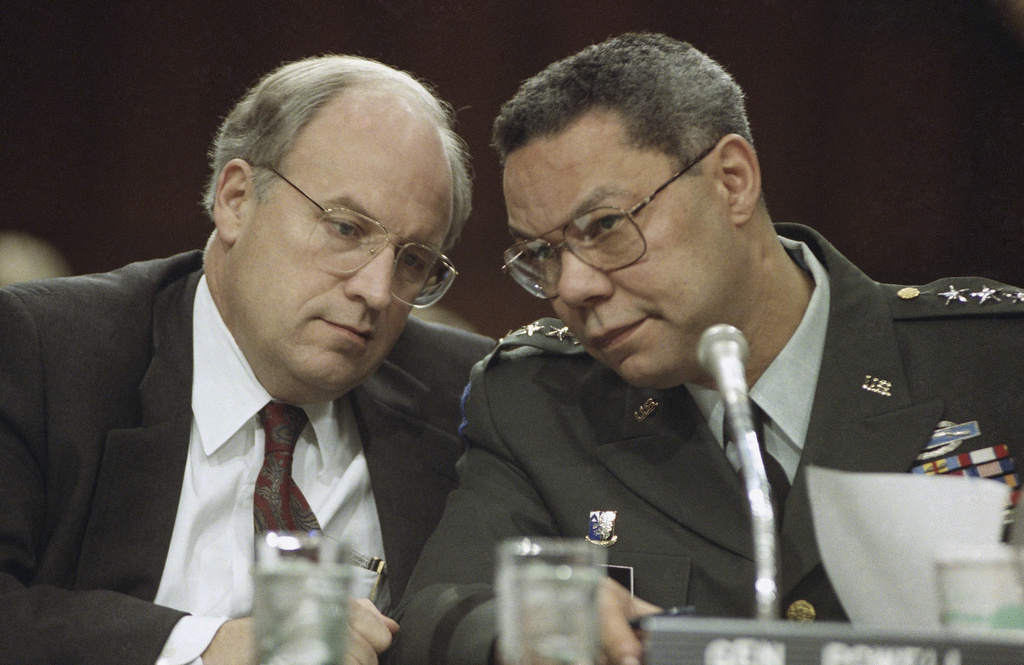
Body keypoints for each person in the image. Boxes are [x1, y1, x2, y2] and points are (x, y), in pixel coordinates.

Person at [386, 32, 1024, 665]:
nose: (571, 288)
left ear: (732, 180)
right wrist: (528, 627)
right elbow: (436, 613)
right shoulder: (542, 404)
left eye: (605, 227)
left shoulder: (991, 359)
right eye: (543, 255)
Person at [0, 54, 493, 665]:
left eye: (413, 260)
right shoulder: (42, 351)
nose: (375, 289)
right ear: (236, 200)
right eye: (345, 228)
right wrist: (204, 648)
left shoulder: (465, 394)